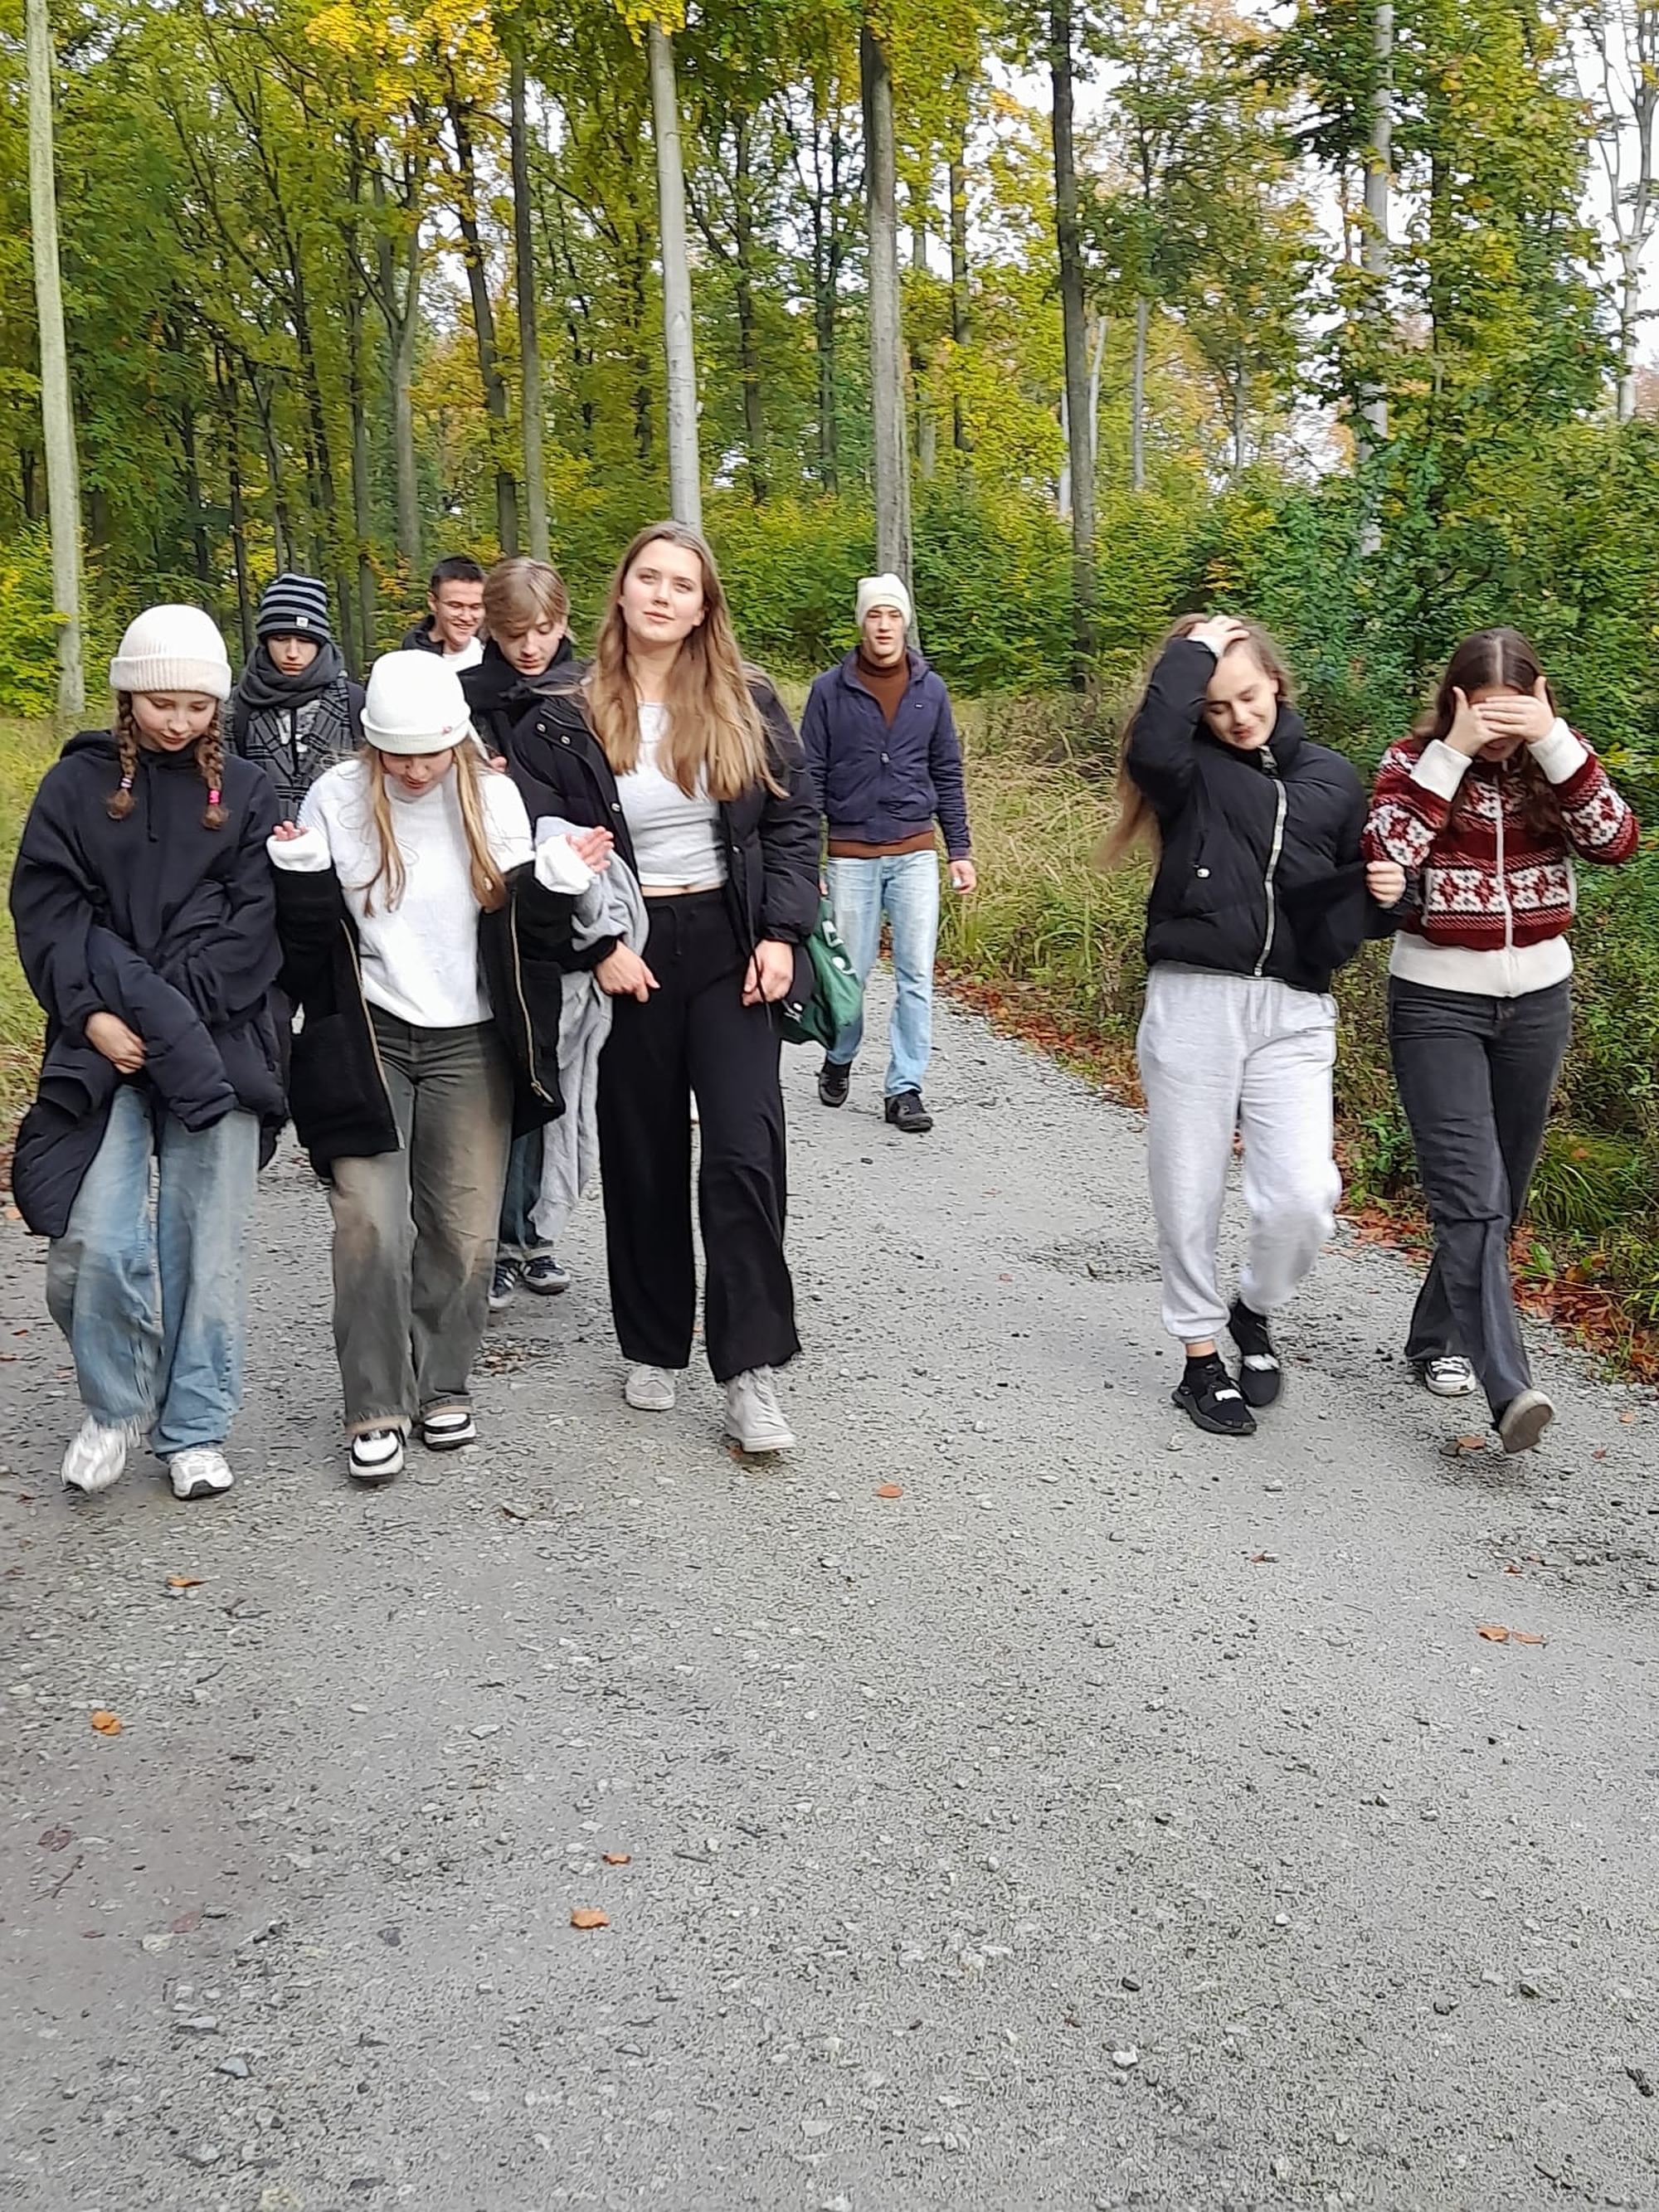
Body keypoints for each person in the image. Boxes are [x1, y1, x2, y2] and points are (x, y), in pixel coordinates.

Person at [504, 522, 820, 1452]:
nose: (662, 595)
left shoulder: (747, 700)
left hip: (730, 945)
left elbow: (794, 821)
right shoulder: (562, 715)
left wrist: (782, 934)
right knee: (641, 1153)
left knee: (743, 1152)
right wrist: (598, 942)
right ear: (622, 590)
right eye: (648, 578)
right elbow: (535, 847)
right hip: (628, 953)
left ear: (702, 606)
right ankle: (652, 1342)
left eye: (682, 585)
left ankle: (750, 1371)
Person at [267, 652, 601, 1484]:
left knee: (463, 1230)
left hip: (472, 1038)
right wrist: (301, 883)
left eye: (429, 753)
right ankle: (374, 1403)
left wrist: (555, 885)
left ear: (456, 739)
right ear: (371, 744)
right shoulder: (335, 799)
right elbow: (304, 955)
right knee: (370, 1222)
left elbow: (530, 941)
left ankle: (442, 1383)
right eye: (397, 754)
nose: (415, 771)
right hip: (370, 1033)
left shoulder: (494, 800)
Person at [7, 605, 287, 1501]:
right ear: (129, 697)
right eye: (162, 703)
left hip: (216, 1043)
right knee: (93, 1237)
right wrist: (93, 1016)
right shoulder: (74, 786)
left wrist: (164, 1017)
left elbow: (253, 928)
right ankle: (116, 1402)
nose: (178, 722)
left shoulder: (248, 791)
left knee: (203, 1246)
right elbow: (49, 914)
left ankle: (195, 1427)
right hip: (102, 1046)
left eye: (197, 707)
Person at [1102, 613, 1404, 1437]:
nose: (1238, 717)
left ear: (1275, 680)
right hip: (1195, 996)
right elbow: (1149, 745)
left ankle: (1253, 1307)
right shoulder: (1186, 771)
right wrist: (1193, 650)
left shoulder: (1333, 778)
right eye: (1215, 706)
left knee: (1305, 1197)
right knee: (1189, 1185)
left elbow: (1344, 907)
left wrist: (1387, 899)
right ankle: (1199, 1359)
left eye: (1247, 696)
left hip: (1294, 1009)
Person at [1363, 628, 1637, 1453]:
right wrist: (1449, 755)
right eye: (1484, 712)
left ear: (1537, 698)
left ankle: (1433, 1336)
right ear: (1454, 702)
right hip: (1435, 1001)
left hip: (1538, 1002)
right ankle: (1507, 1385)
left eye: (1512, 711)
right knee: (1469, 1194)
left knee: (1503, 1190)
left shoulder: (1554, 765)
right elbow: (1386, 852)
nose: (1498, 729)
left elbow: (1616, 840)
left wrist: (1552, 740)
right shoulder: (1410, 763)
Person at [801, 572, 975, 1132]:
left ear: (905, 622)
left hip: (914, 850)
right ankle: (840, 1054)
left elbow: (947, 771)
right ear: (862, 623)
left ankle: (905, 1088)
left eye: (892, 615)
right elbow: (809, 777)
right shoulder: (829, 691)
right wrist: (808, 858)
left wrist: (959, 849)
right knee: (849, 975)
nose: (883, 625)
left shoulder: (931, 690)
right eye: (874, 615)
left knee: (915, 975)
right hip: (850, 853)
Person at [230, 572, 365, 814]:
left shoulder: (354, 704)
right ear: (265, 641)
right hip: (259, 836)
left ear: (320, 643)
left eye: (304, 640)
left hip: (338, 835)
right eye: (281, 639)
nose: (292, 653)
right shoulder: (237, 706)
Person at [401, 555, 486, 669]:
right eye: (455, 606)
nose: (466, 617)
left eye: (475, 607)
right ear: (433, 602)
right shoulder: (405, 664)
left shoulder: (495, 660)